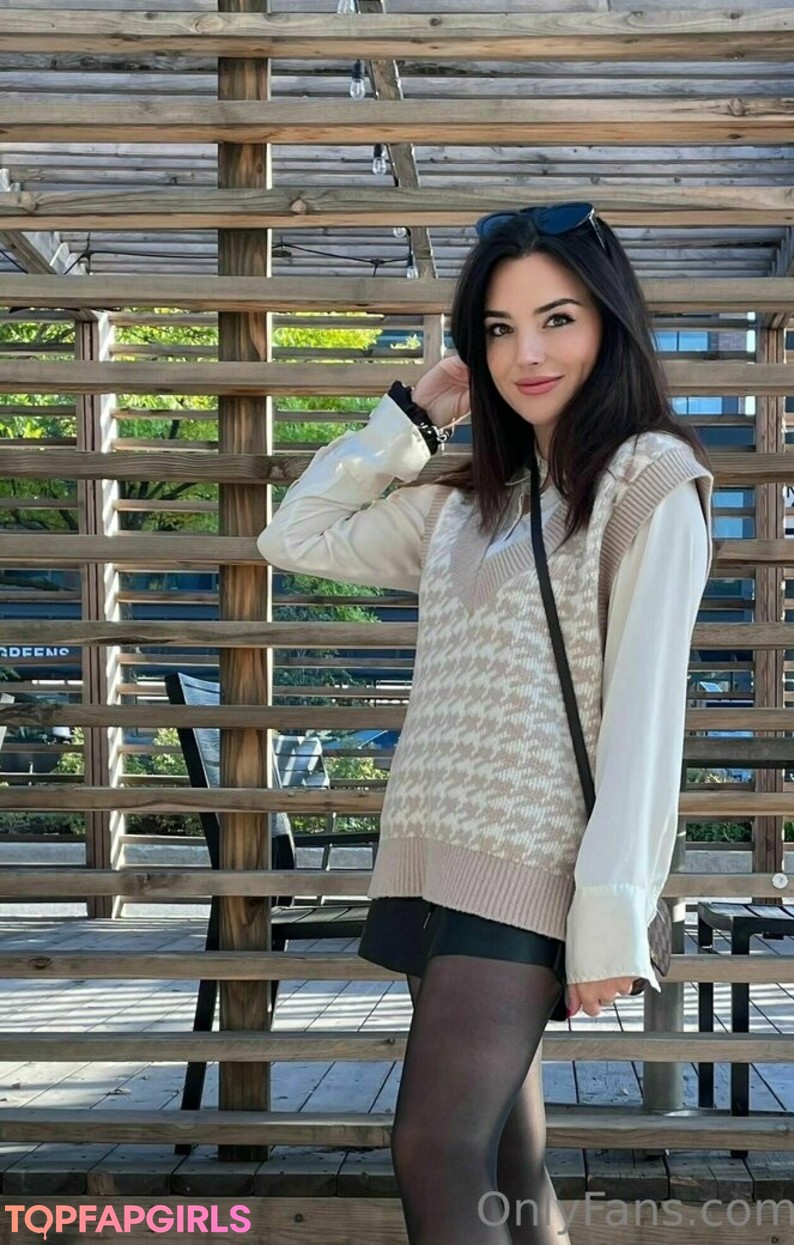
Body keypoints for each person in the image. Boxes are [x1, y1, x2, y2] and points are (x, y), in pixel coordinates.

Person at [257, 202, 714, 1244]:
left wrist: (613, 908)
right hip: (437, 855)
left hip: (530, 864)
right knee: (506, 1155)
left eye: (557, 319)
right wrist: (415, 416)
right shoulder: (472, 501)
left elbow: (647, 718)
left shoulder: (648, 481)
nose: (527, 354)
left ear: (611, 324)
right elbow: (296, 536)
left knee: (433, 1146)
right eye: (499, 329)